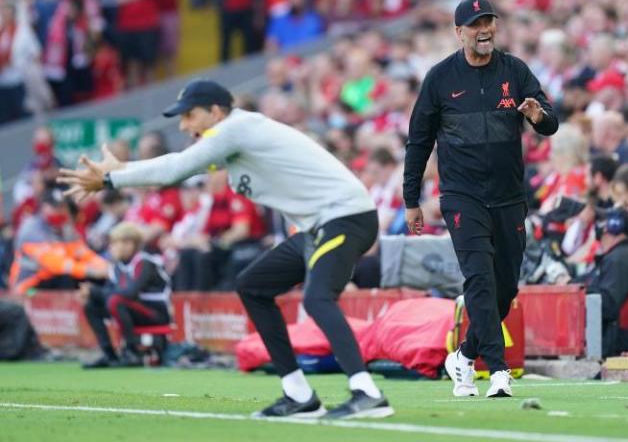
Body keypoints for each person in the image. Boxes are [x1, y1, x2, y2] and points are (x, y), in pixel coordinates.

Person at [59, 78, 393, 419]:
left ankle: (367, 392)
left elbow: (175, 169)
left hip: (346, 219)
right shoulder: (233, 137)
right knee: (253, 286)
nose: (184, 125)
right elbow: (182, 162)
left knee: (317, 298)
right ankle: (299, 394)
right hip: (322, 226)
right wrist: (123, 168)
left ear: (216, 112)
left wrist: (110, 179)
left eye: (190, 115)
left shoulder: (234, 129)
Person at [403, 0, 558, 398]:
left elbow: (550, 122)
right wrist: (411, 199)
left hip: (509, 197)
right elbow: (418, 141)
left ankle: (465, 355)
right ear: (459, 33)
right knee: (480, 280)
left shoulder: (515, 70)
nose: (484, 29)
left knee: (505, 288)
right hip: (462, 196)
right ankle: (498, 370)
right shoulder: (439, 78)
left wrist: (538, 115)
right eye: (475, 24)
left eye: (488, 21)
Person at [81, 222, 170, 369]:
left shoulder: (144, 262)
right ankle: (109, 354)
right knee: (91, 304)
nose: (112, 247)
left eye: (116, 243)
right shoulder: (116, 267)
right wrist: (91, 292)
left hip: (154, 313)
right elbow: (108, 293)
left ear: (130, 244)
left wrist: (95, 291)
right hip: (131, 310)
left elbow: (131, 293)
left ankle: (132, 351)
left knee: (115, 301)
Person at [585, 206, 628, 358]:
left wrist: (581, 292)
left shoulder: (620, 259)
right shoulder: (615, 257)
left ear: (615, 226)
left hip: (614, 346)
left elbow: (608, 304)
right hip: (608, 340)